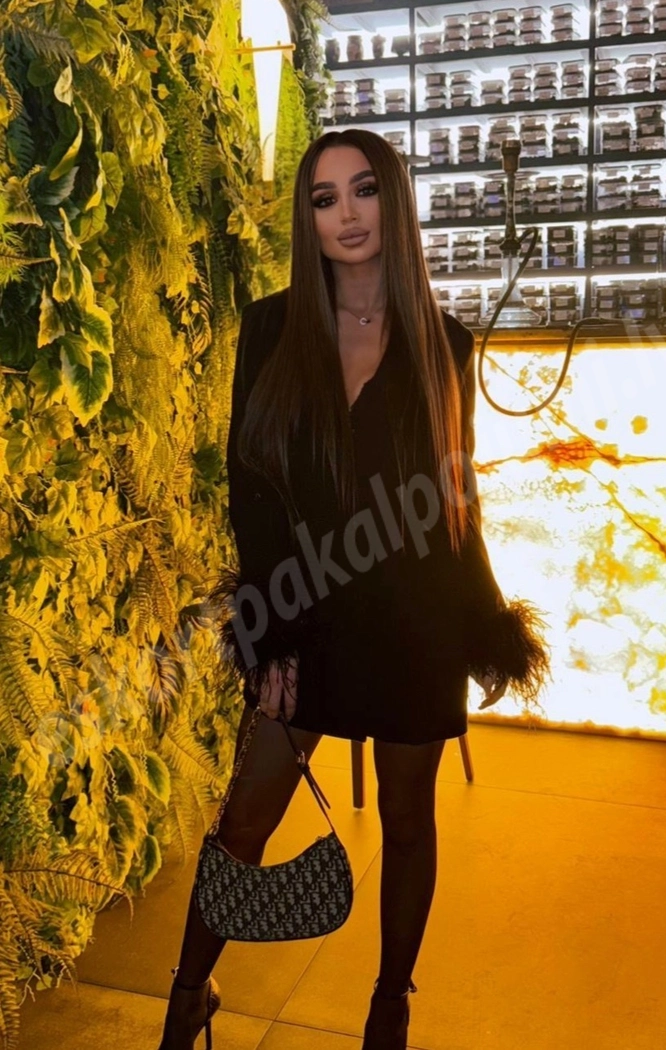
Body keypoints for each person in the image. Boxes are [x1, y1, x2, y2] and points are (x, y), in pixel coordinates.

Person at [156, 128, 550, 1050]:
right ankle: (187, 996)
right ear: (309, 220)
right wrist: (270, 633)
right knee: (244, 821)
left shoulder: (443, 341)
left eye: (363, 190)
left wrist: (485, 623)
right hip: (305, 616)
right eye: (324, 198)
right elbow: (249, 486)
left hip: (416, 622)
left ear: (393, 202)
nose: (346, 214)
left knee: (409, 822)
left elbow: (454, 497)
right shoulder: (270, 328)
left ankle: (389, 1006)